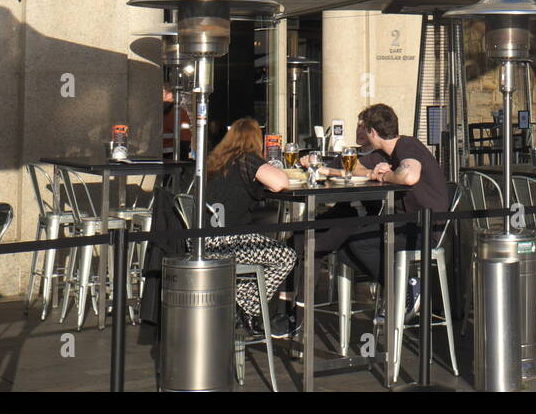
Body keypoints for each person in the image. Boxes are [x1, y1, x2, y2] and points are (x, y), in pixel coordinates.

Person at [312, 103, 449, 315]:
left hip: (426, 227)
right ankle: (400, 288)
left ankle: (406, 289)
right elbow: (358, 167)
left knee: (359, 242)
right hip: (407, 222)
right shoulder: (387, 154)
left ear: (373, 132)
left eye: (365, 130)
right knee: (344, 251)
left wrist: (385, 176)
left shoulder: (407, 145)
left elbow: (410, 176)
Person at [201, 118, 297, 336]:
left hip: (203, 239)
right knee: (285, 255)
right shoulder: (246, 159)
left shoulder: (216, 161)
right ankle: (251, 311)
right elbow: (280, 182)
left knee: (262, 249)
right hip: (227, 242)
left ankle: (241, 306)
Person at [161, 86, 191, 160]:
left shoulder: (179, 113)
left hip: (169, 154)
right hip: (173, 155)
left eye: (162, 93)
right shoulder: (180, 113)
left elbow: (185, 136)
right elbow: (185, 136)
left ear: (170, 95)